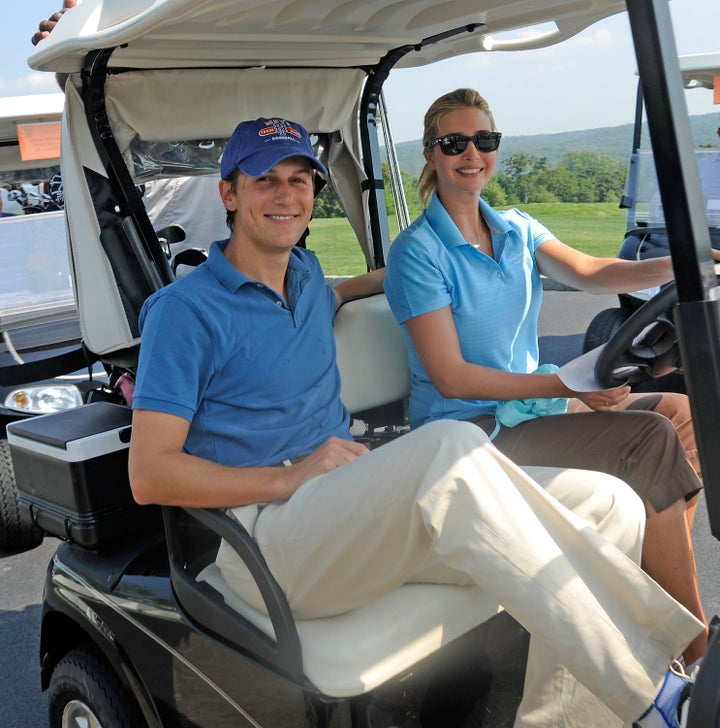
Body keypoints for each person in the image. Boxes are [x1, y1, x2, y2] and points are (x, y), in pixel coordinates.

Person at [127, 115, 703, 727]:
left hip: (345, 513)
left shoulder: (309, 283)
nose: (285, 196)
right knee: (448, 445)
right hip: (268, 540)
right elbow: (150, 475)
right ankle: (655, 696)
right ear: (229, 193)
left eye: (299, 180)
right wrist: (286, 478)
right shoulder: (183, 312)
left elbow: (365, 282)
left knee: (611, 503)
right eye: (264, 180)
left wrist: (422, 274)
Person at [383, 88, 710, 666]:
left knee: (679, 416)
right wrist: (567, 386)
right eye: (454, 142)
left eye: (484, 141)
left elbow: (594, 271)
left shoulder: (516, 229)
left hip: (533, 408)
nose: (471, 154)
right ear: (431, 154)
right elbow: (454, 378)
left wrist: (687, 262)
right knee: (649, 439)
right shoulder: (419, 251)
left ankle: (646, 598)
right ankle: (690, 647)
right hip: (470, 429)